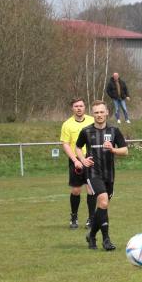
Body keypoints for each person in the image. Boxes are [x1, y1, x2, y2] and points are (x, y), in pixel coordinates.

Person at [75, 101, 128, 251]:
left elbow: (125, 150)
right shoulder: (86, 131)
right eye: (96, 112)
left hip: (109, 175)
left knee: (102, 207)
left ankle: (91, 235)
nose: (99, 115)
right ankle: (106, 239)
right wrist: (82, 159)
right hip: (92, 173)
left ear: (107, 113)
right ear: (93, 114)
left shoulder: (114, 131)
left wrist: (113, 150)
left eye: (101, 112)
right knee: (103, 201)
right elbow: (78, 147)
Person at [60, 98, 96, 229]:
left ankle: (91, 219)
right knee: (76, 190)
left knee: (91, 189)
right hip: (76, 160)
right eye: (76, 106)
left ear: (85, 107)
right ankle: (74, 217)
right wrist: (75, 160)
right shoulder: (67, 124)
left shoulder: (92, 120)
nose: (79, 108)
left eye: (81, 106)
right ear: (72, 108)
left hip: (91, 159)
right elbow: (65, 144)